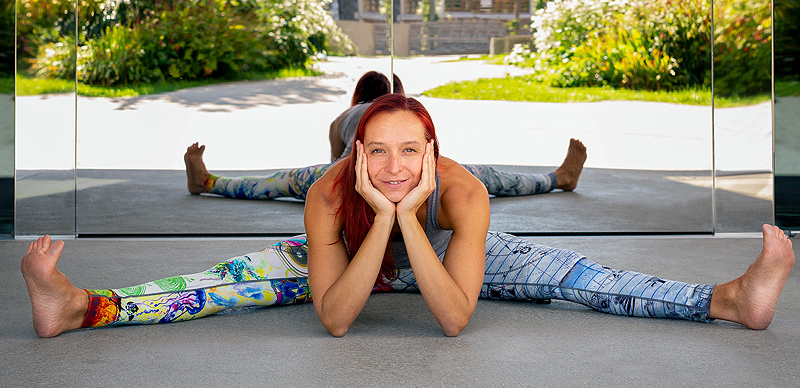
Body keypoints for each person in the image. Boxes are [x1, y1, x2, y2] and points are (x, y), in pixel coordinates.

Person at [21, 94, 795, 338]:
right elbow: (336, 319)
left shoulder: (463, 187)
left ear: (430, 148)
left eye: (408, 151)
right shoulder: (324, 189)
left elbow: (453, 318)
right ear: (352, 148)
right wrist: (381, 218)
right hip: (355, 246)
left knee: (588, 278)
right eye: (373, 151)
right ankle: (81, 305)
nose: (392, 167)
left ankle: (727, 298)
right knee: (221, 280)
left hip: (454, 247)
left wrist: (413, 219)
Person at [184, 71, 587, 201]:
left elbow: (333, 164)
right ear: (398, 96)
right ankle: (556, 178)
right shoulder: (394, 112)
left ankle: (209, 181)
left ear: (359, 97)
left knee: (276, 182)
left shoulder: (343, 116)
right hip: (372, 173)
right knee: (489, 178)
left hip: (346, 172)